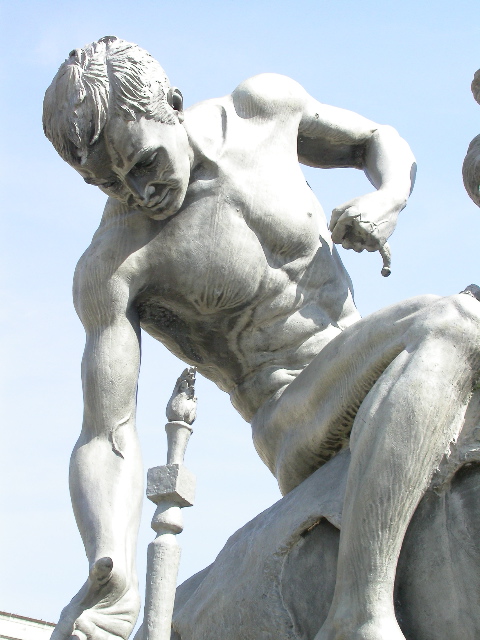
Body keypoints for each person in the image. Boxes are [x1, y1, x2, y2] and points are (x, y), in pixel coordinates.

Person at [43, 36, 480, 640]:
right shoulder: (114, 265)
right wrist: (109, 563)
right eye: (109, 184)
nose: (138, 192)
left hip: (371, 362)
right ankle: (358, 612)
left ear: (173, 105)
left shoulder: (262, 109)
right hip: (295, 418)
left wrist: (389, 199)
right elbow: (106, 433)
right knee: (454, 321)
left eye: (143, 162)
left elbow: (376, 139)